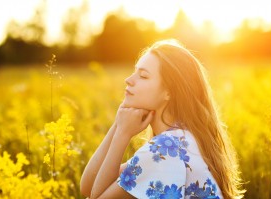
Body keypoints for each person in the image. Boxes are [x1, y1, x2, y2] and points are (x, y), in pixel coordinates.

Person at [80, 39, 245, 199]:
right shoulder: (179, 140)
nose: (129, 80)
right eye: (134, 72)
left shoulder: (165, 149)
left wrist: (123, 133)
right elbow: (88, 187)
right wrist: (118, 123)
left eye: (143, 76)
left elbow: (95, 196)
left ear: (169, 92)